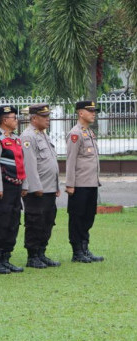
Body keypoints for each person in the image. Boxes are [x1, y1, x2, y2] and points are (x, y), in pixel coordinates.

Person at [0, 106, 27, 274]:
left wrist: (24, 185)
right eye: (13, 117)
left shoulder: (16, 139)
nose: (16, 120)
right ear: (4, 120)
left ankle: (6, 258)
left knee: (13, 223)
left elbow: (21, 164)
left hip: (15, 187)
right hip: (3, 187)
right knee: (0, 223)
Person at [21, 103, 61, 268]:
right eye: (44, 117)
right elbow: (29, 165)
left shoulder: (43, 134)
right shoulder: (28, 136)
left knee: (48, 221)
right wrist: (36, 187)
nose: (48, 119)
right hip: (37, 189)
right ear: (34, 118)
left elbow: (50, 161)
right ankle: (32, 256)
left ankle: (41, 253)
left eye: (48, 116)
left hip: (49, 187)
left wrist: (56, 185)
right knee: (35, 221)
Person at [65, 100, 104, 262]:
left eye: (94, 111)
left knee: (88, 217)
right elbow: (71, 161)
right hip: (79, 184)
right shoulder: (75, 134)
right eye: (90, 111)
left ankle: (85, 247)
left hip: (91, 183)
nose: (93, 113)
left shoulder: (88, 132)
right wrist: (70, 184)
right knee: (77, 218)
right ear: (81, 113)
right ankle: (77, 252)